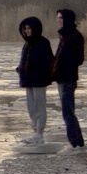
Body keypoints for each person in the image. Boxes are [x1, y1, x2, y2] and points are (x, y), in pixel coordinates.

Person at [15, 16, 54, 145]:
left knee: (39, 106)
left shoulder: (43, 43)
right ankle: (35, 131)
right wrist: (21, 68)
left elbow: (48, 61)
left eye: (29, 28)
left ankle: (39, 133)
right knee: (31, 107)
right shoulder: (27, 44)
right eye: (25, 28)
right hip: (28, 79)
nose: (26, 31)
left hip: (39, 79)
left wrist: (38, 70)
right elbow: (25, 60)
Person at [52, 8, 86, 149]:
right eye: (58, 18)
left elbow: (79, 59)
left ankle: (75, 142)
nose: (58, 20)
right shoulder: (64, 35)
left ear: (67, 19)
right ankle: (77, 141)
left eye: (61, 18)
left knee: (68, 111)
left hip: (68, 78)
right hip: (62, 78)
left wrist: (64, 67)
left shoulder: (75, 36)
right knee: (67, 111)